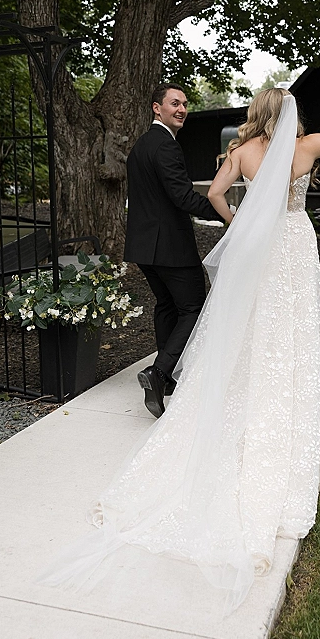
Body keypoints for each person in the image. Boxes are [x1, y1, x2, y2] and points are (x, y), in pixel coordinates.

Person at [38, 74, 320, 613]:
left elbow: (218, 194)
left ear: (258, 111)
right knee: (291, 323)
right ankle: (282, 399)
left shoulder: (243, 151)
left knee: (251, 326)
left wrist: (242, 224)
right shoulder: (305, 148)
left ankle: (221, 392)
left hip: (261, 247)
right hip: (293, 243)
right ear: (290, 115)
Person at [123, 82, 226, 417]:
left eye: (184, 104)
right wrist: (227, 213)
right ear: (157, 108)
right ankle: (159, 372)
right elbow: (182, 196)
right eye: (174, 103)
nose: (181, 109)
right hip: (169, 246)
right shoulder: (165, 145)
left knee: (167, 306)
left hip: (143, 247)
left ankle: (164, 379)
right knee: (193, 307)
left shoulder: (141, 145)